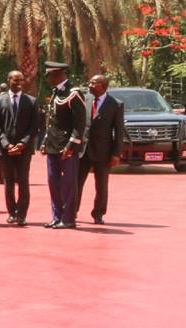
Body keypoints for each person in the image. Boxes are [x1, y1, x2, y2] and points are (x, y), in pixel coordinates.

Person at [41, 61, 88, 230]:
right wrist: (46, 141)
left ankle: (68, 218)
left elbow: (80, 124)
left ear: (59, 74)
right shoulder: (56, 92)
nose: (47, 78)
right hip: (53, 144)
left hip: (67, 146)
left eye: (49, 75)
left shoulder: (74, 93)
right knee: (53, 182)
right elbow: (52, 121)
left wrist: (71, 145)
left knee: (68, 184)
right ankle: (56, 216)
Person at [0, 71, 37, 226]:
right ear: (8, 80)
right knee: (8, 182)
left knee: (23, 182)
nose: (19, 83)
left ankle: (22, 214)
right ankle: (11, 213)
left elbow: (34, 126)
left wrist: (23, 143)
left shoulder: (31, 101)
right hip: (5, 150)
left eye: (21, 80)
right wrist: (6, 144)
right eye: (16, 80)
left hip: (24, 150)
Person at [76, 74, 124, 225]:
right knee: (76, 183)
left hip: (104, 151)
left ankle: (98, 214)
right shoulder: (84, 99)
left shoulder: (115, 104)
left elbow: (119, 130)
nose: (89, 85)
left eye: (93, 83)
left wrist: (116, 153)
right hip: (83, 150)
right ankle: (72, 210)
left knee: (101, 185)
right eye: (89, 82)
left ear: (103, 86)